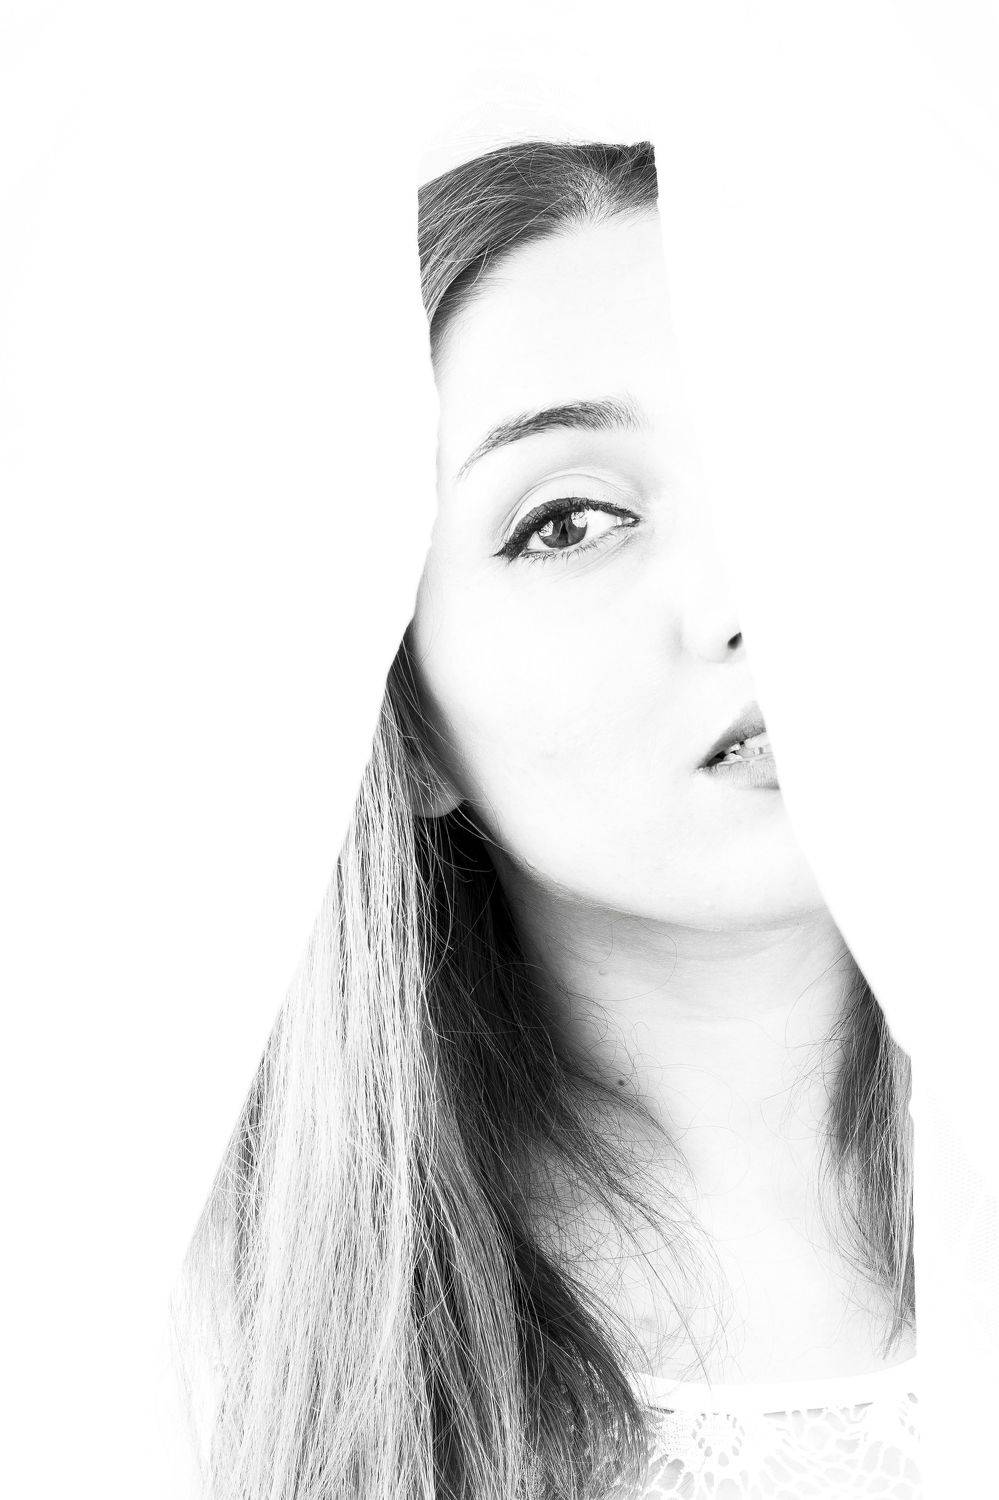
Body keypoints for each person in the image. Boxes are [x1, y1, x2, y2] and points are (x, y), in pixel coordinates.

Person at [177, 141, 919, 1500]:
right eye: (570, 520)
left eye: (788, 457)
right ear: (396, 718)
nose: (748, 595)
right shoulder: (216, 1347)